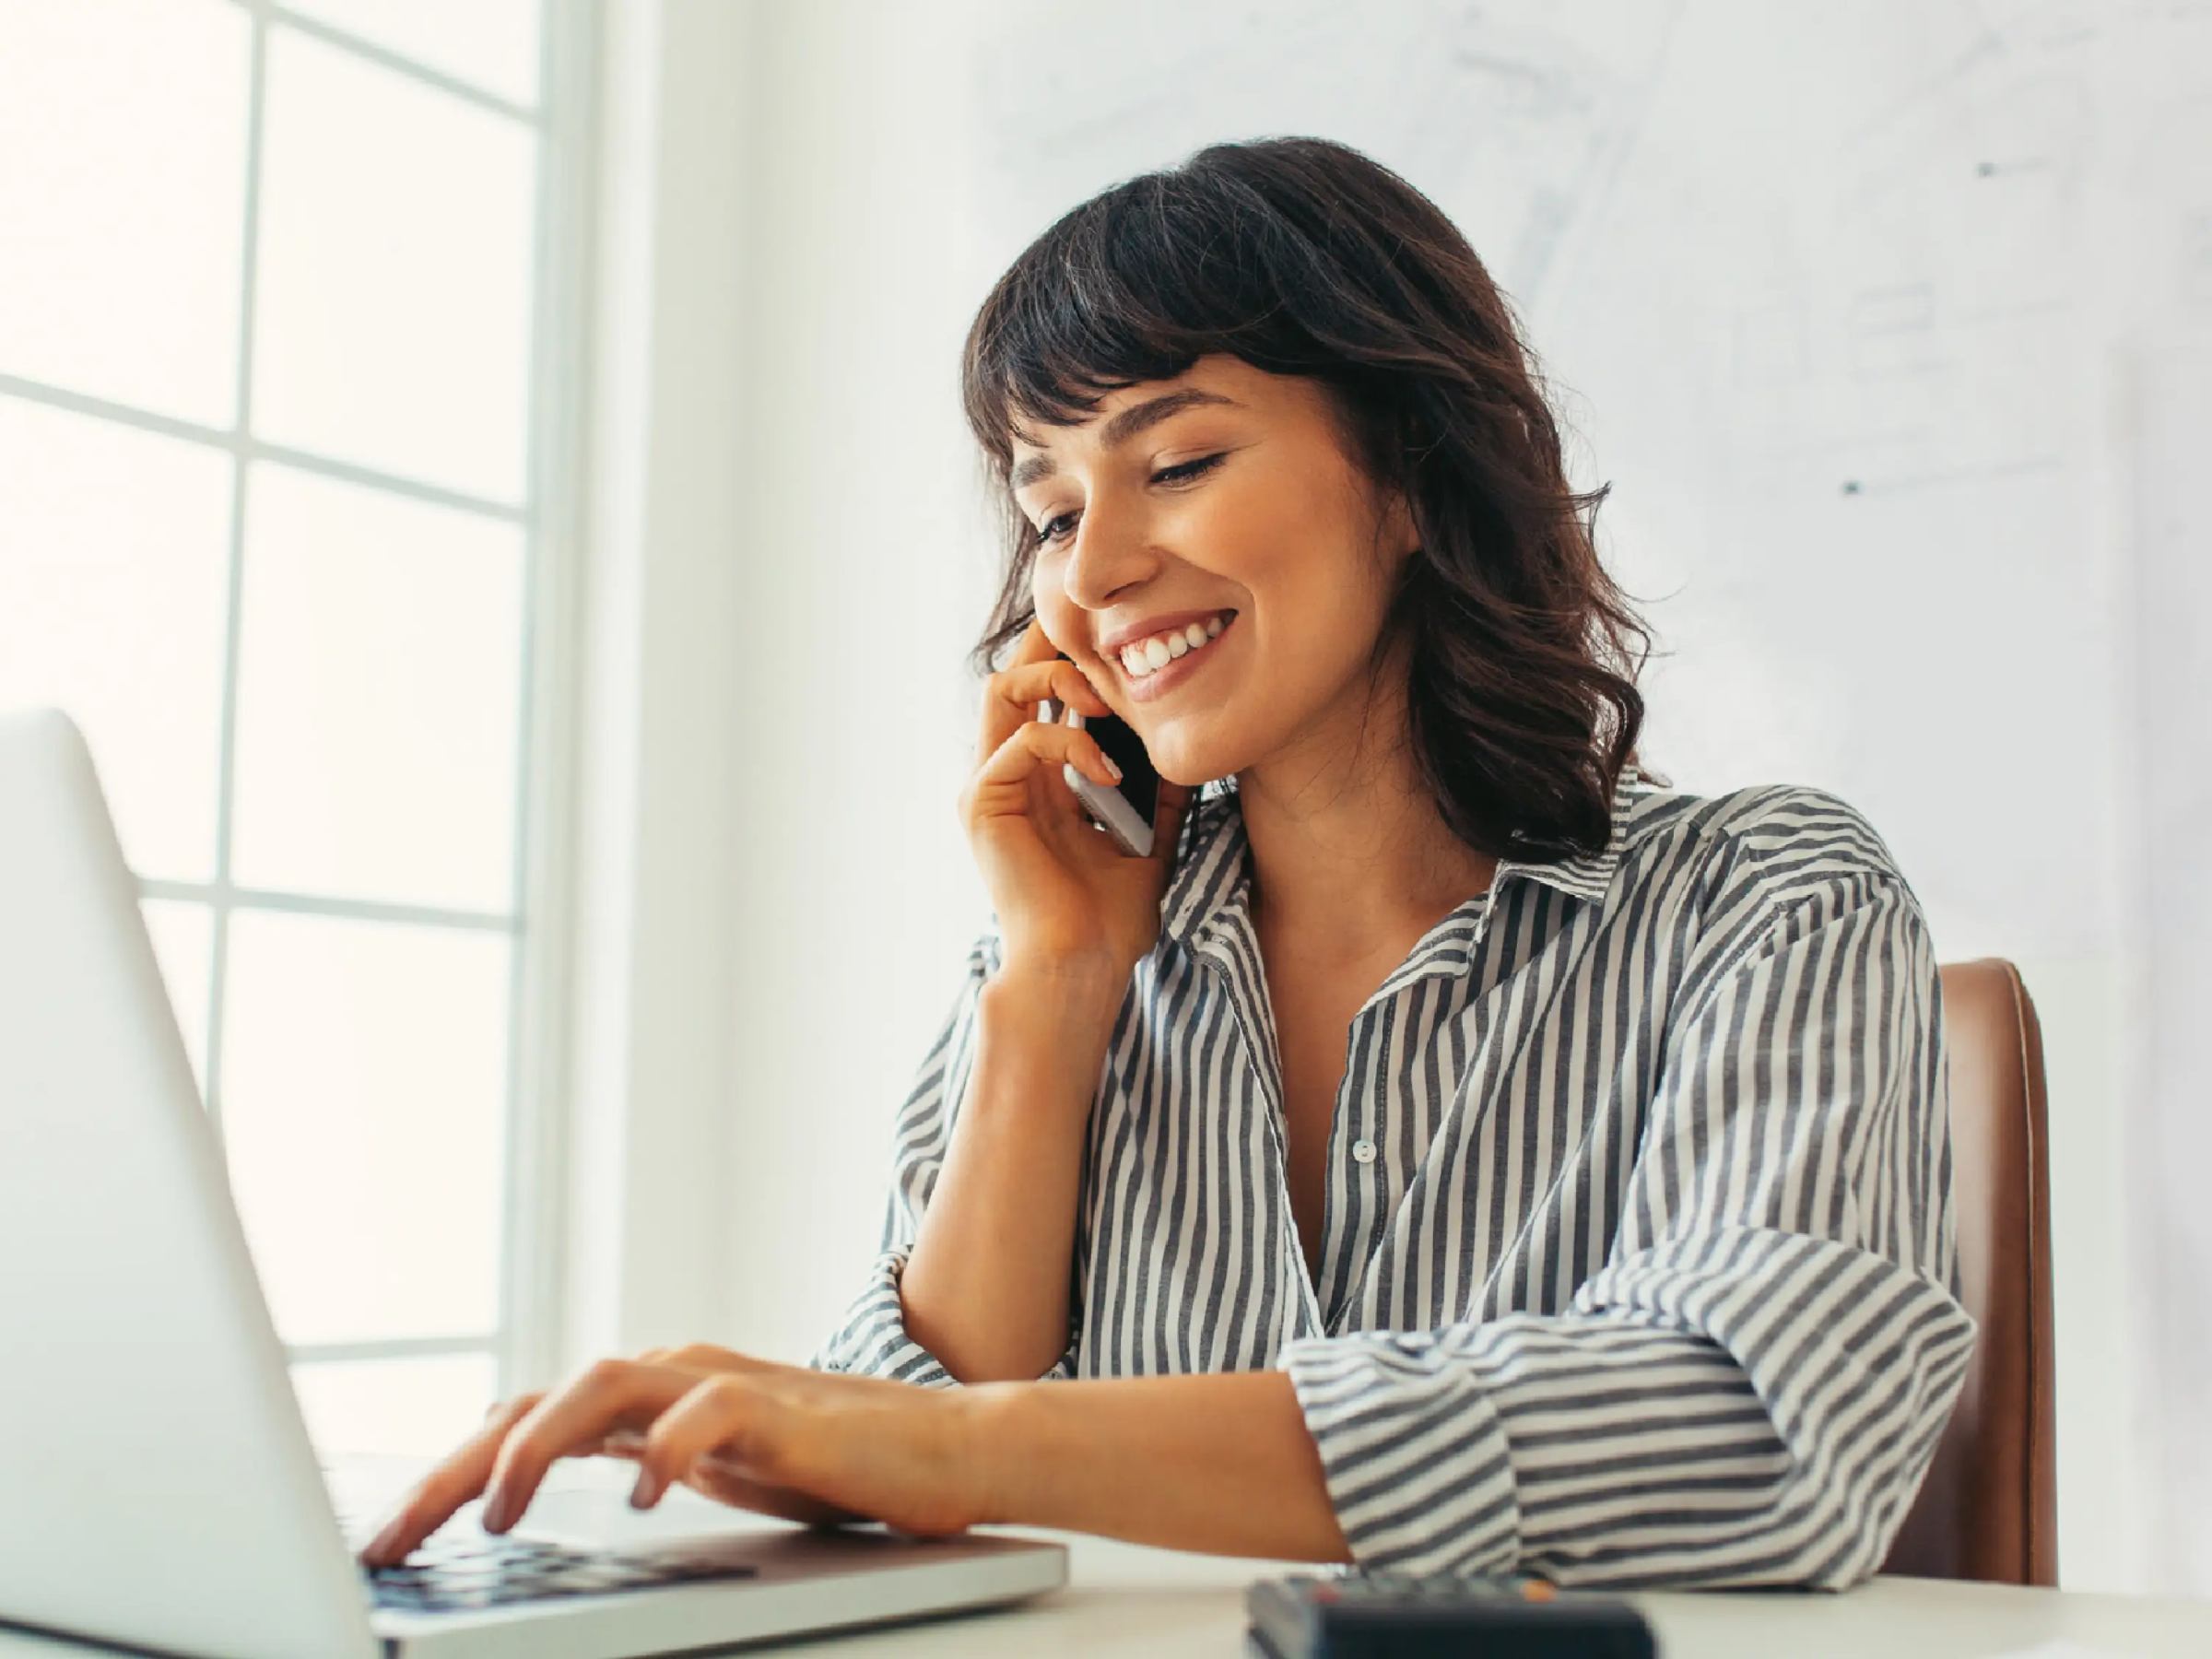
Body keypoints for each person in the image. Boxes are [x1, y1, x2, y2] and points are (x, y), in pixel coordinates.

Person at [365, 137, 1971, 1588]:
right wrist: (1056, 986)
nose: (1101, 570)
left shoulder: (1767, 899)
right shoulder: (1073, 961)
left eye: (1178, 463)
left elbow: (1766, 1427)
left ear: (1411, 472)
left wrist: (951, 1452)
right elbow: (892, 1456)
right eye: (1050, 511)